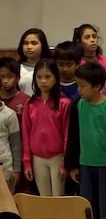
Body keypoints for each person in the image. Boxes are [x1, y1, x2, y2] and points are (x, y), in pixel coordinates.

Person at [64, 62, 106, 219]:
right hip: (85, 164)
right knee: (87, 205)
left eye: (82, 86)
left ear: (97, 86)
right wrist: (72, 165)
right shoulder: (76, 106)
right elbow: (72, 136)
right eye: (77, 85)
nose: (78, 89)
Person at [22, 59, 70, 196]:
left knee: (58, 198)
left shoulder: (64, 103)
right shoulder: (30, 104)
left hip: (57, 157)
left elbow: (68, 134)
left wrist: (64, 163)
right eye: (39, 77)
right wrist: (27, 162)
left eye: (48, 77)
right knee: (44, 199)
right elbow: (25, 134)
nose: (43, 81)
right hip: (37, 159)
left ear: (56, 78)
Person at [0, 58, 30, 194]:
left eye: (10, 77)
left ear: (17, 78)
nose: (5, 81)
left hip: (20, 154)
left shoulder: (25, 100)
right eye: (2, 77)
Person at [17, 28, 52, 96]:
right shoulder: (15, 67)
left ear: (43, 45)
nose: (29, 47)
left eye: (34, 43)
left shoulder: (51, 67)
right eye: (25, 43)